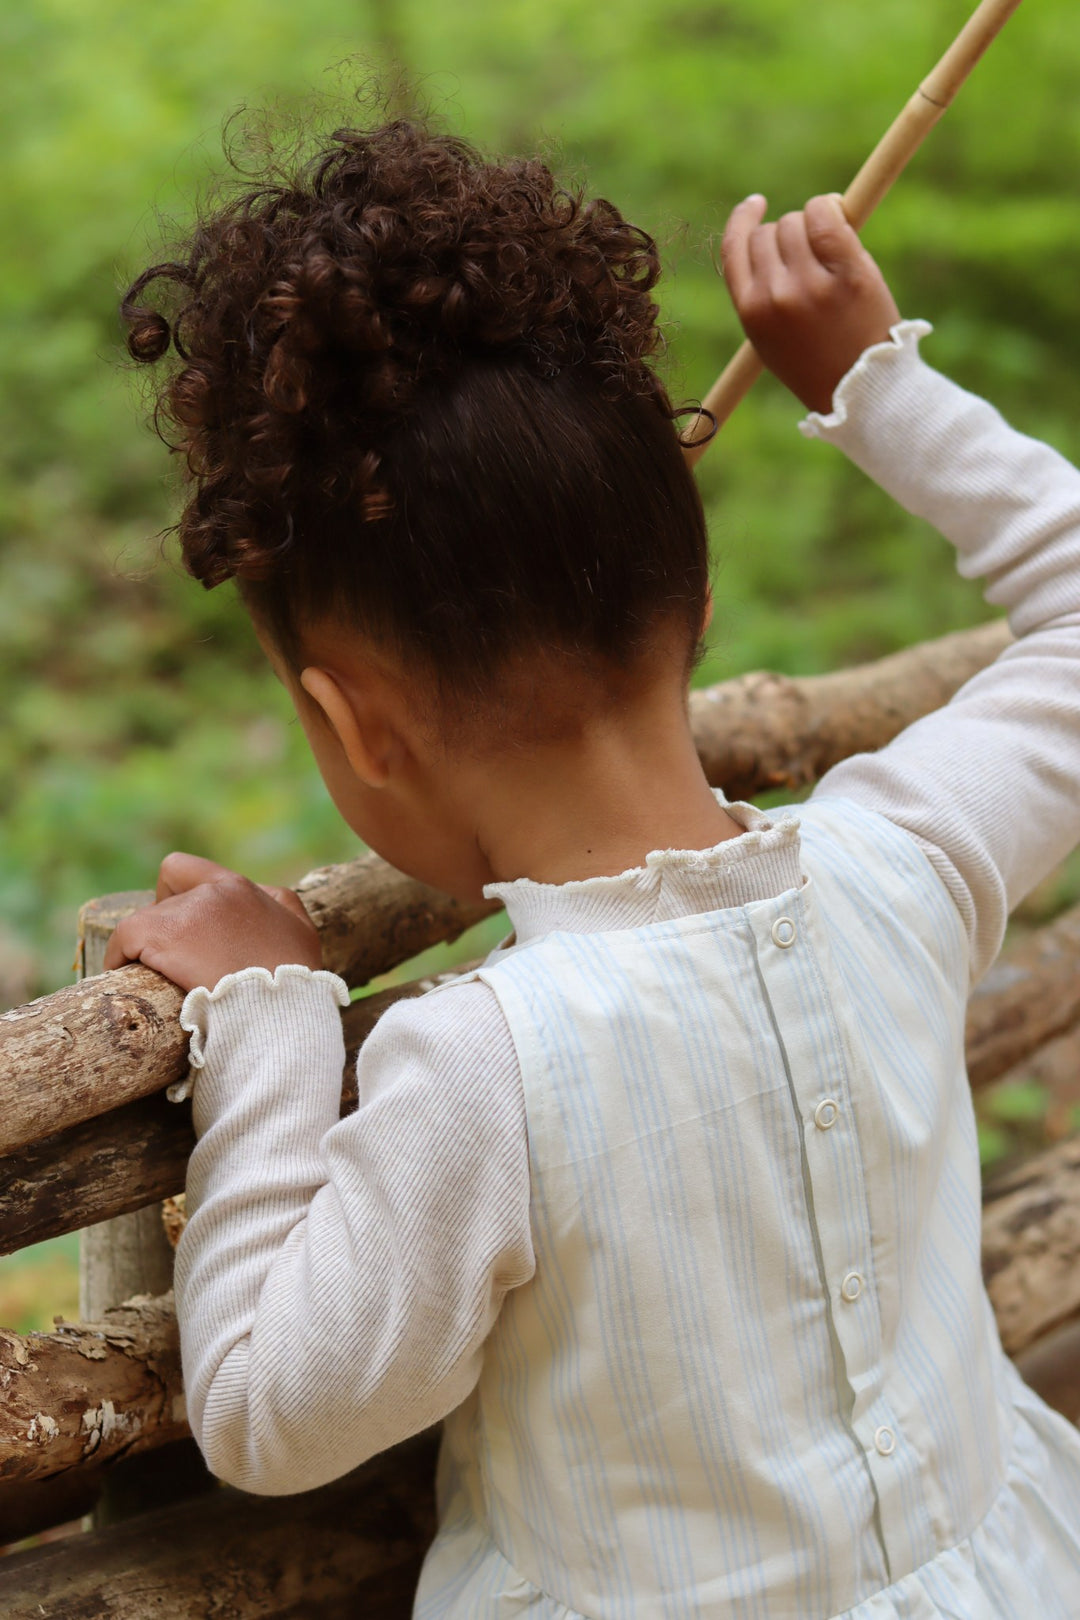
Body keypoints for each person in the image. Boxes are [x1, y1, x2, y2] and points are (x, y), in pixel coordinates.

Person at [110, 118, 1080, 1615]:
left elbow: (262, 1410)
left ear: (350, 726)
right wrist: (882, 388)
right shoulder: (914, 857)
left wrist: (270, 1016)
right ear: (696, 605)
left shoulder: (485, 1070)